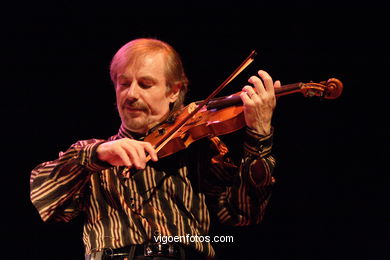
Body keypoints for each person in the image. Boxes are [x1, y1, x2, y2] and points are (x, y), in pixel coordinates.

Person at [30, 38, 280, 260]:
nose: (131, 94)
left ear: (174, 91)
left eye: (145, 84)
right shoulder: (90, 154)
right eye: (124, 83)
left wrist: (259, 135)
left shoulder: (200, 150)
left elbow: (243, 213)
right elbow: (44, 196)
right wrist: (98, 155)